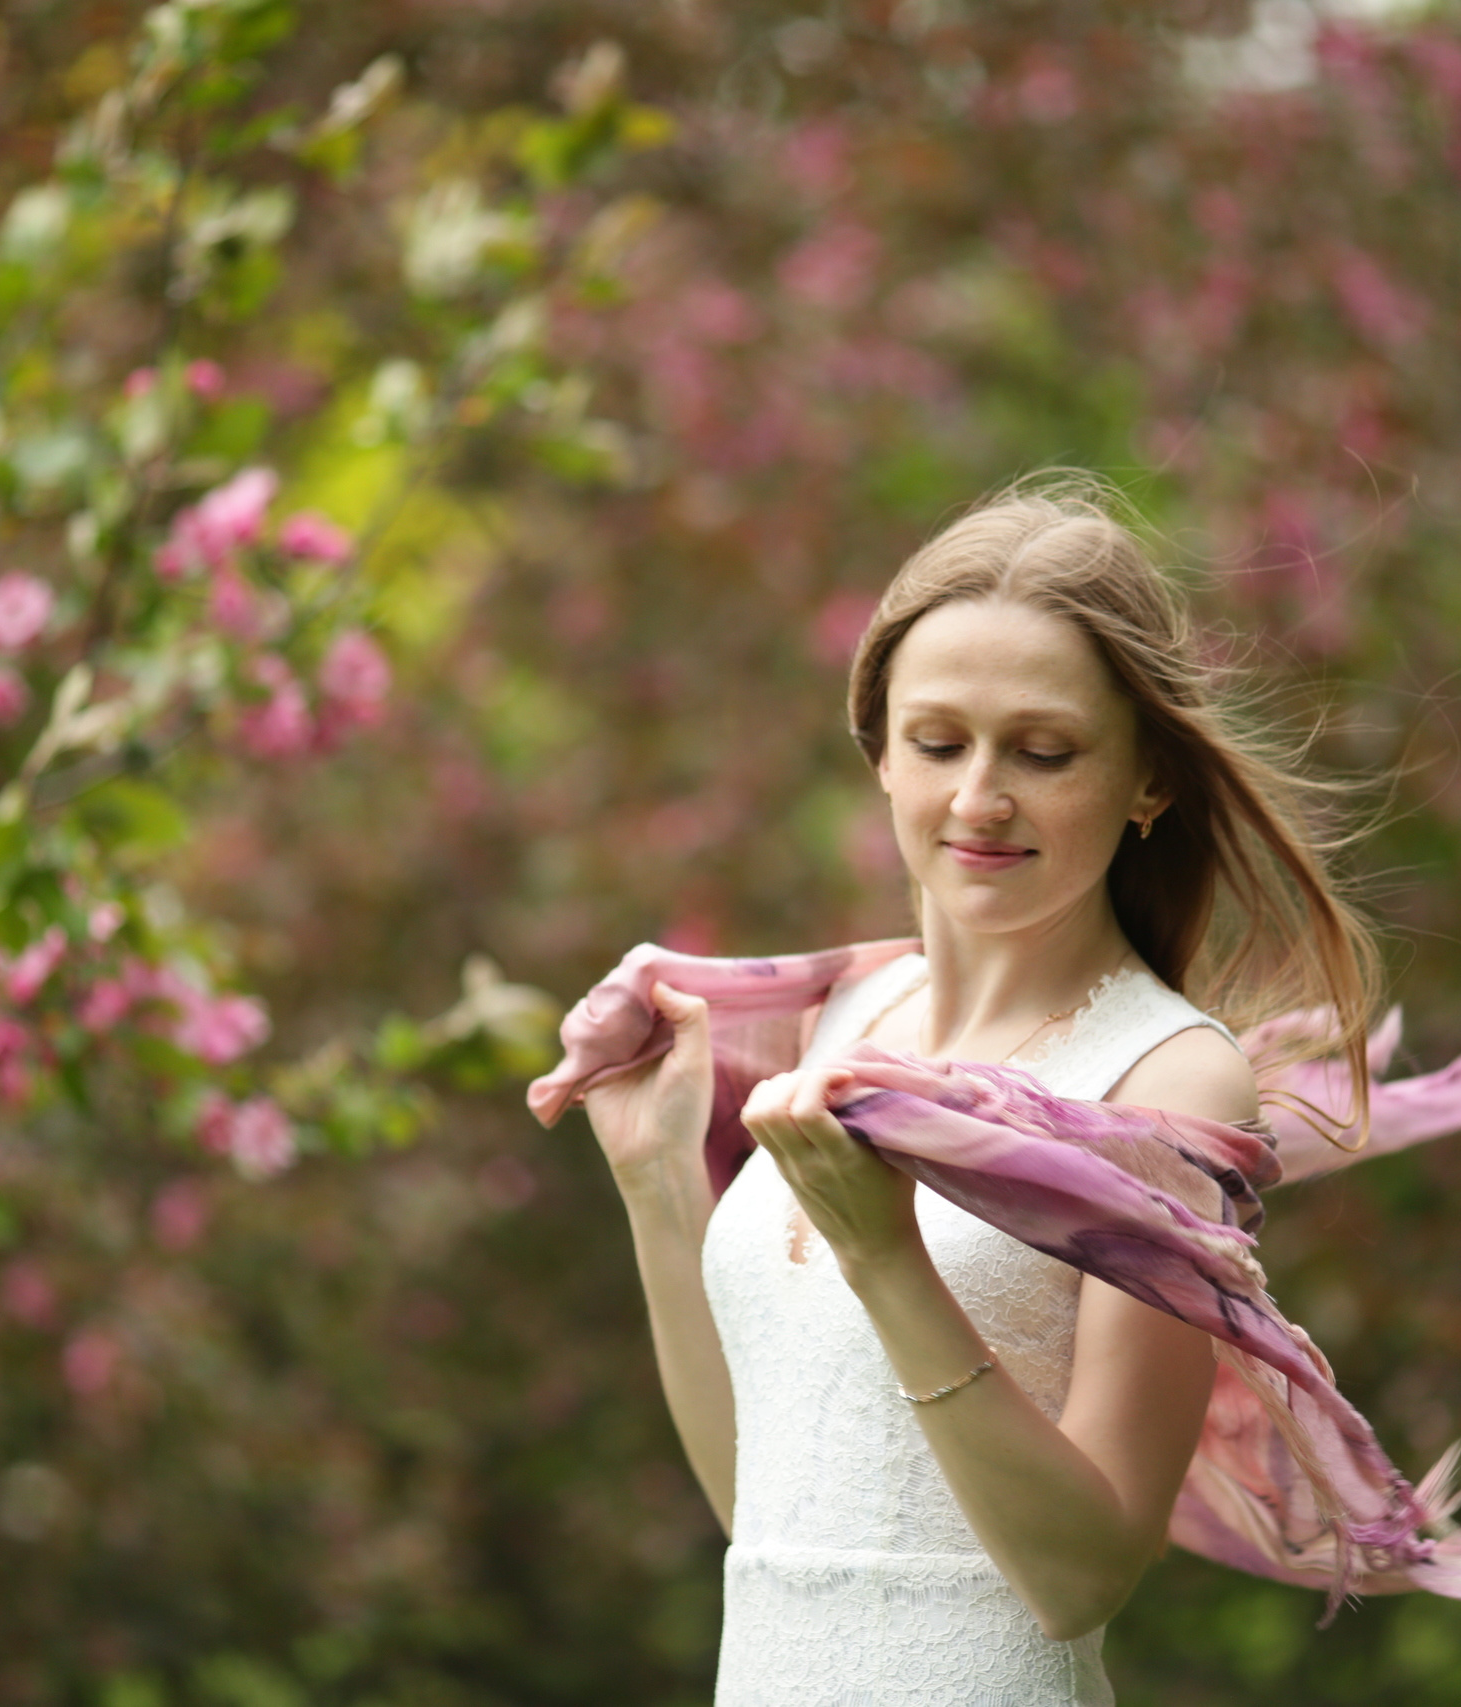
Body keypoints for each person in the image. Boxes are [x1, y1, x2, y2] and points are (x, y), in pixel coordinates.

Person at [575, 477, 1382, 1706]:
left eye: (1043, 752)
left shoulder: (1163, 1073)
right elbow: (766, 1507)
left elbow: (1080, 1577)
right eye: (938, 744)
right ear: (880, 759)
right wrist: (654, 1187)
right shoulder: (843, 1020)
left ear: (1147, 780)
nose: (978, 798)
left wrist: (885, 1255)